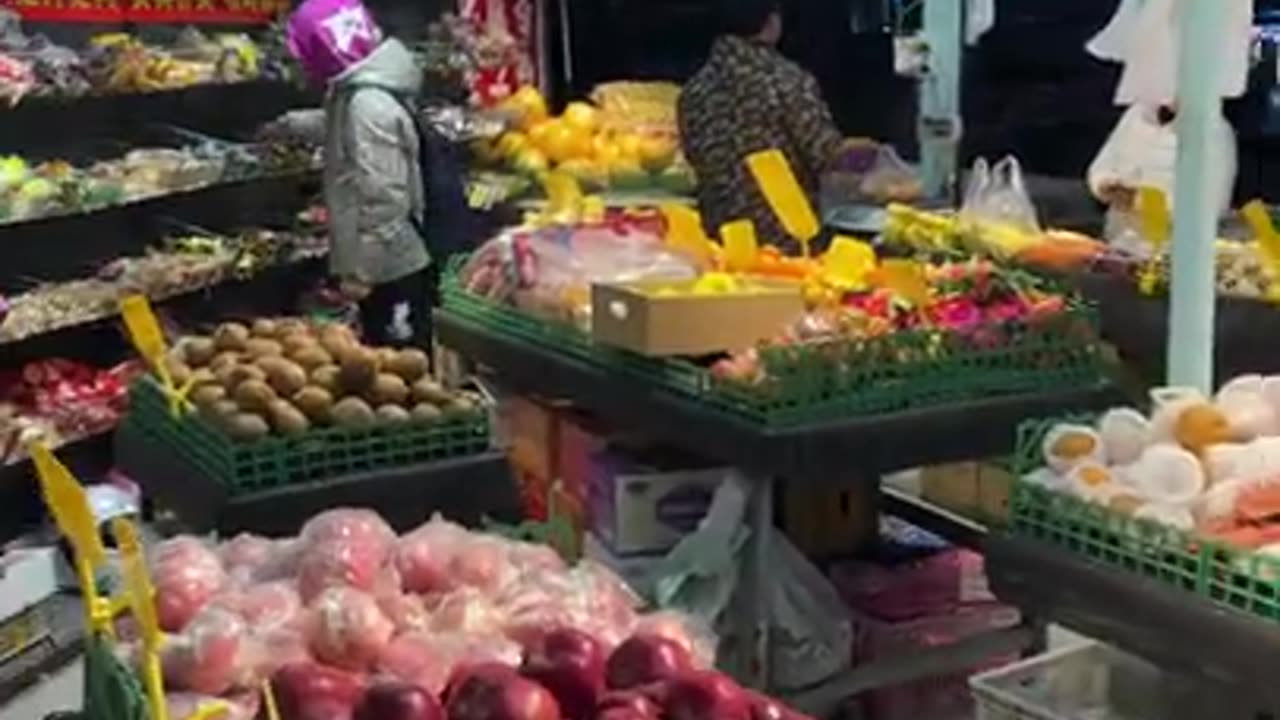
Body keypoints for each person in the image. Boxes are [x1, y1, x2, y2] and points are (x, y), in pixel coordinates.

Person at [277, 0, 433, 347]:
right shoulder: (360, 89)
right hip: (388, 262)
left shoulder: (366, 104)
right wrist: (293, 126)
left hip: (392, 268)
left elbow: (386, 196)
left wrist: (365, 273)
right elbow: (344, 128)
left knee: (400, 370)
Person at [1084, 0, 1250, 252]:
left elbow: (1210, 207)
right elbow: (1102, 165)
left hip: (1172, 255)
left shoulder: (1214, 133)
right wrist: (1106, 185)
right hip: (1116, 243)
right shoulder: (1134, 117)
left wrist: (1139, 199)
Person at [677, 0, 842, 249]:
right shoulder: (785, 80)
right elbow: (824, 154)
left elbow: (694, 157)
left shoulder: (694, 92)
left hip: (721, 240)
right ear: (772, 22)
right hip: (787, 239)